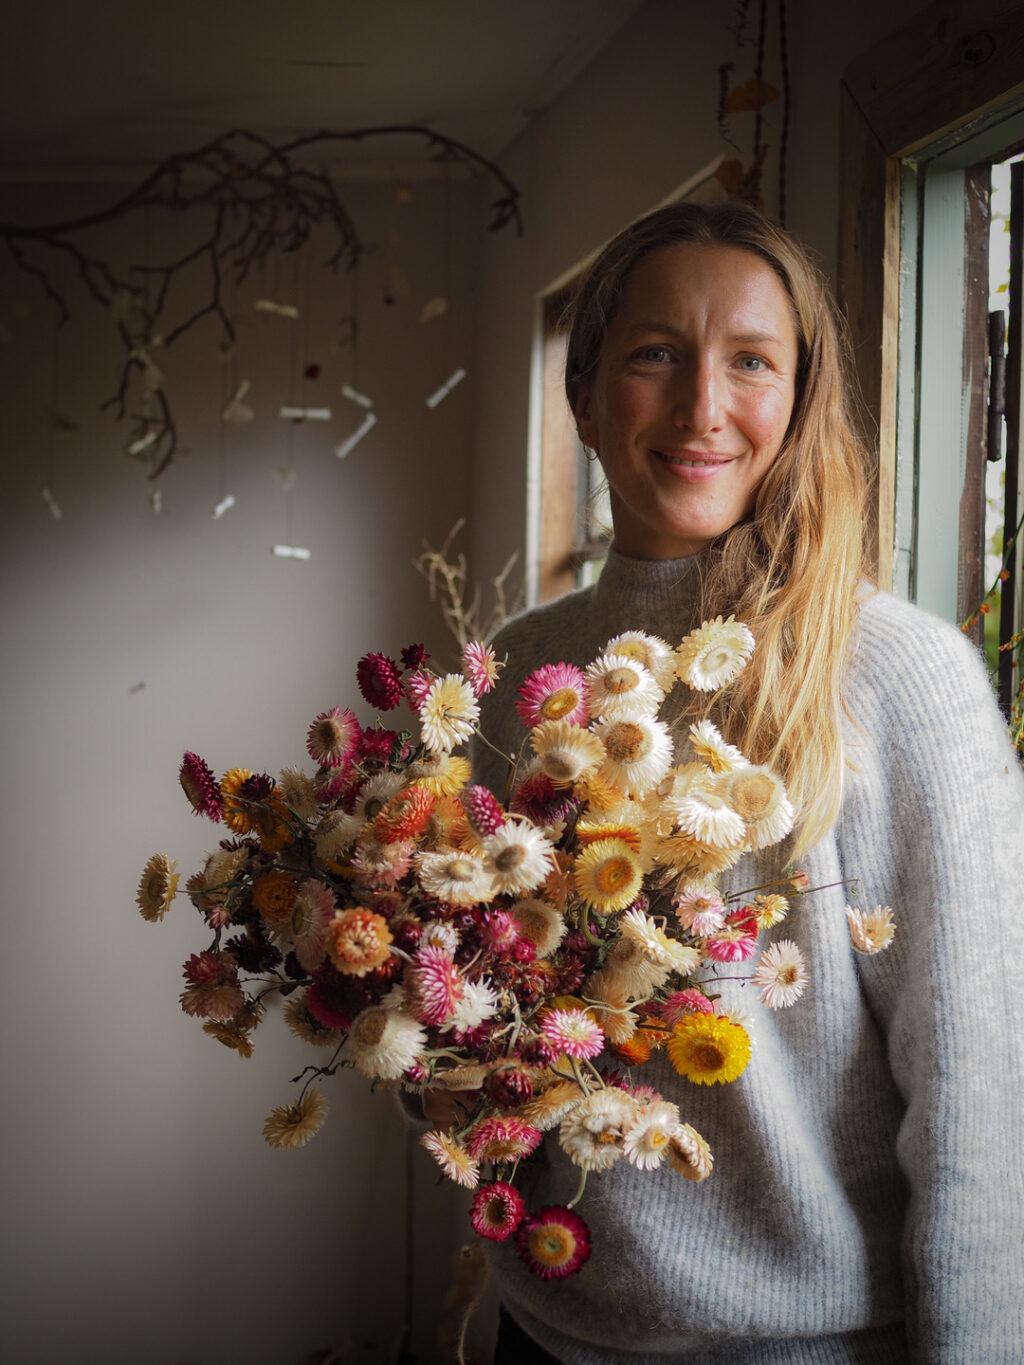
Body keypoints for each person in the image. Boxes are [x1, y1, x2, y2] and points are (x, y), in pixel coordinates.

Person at [470, 202, 1024, 1364]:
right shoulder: (516, 670)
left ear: (800, 399)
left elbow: (980, 1094)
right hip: (545, 1331)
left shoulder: (895, 678)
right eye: (655, 355)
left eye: (750, 363)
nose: (701, 410)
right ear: (583, 392)